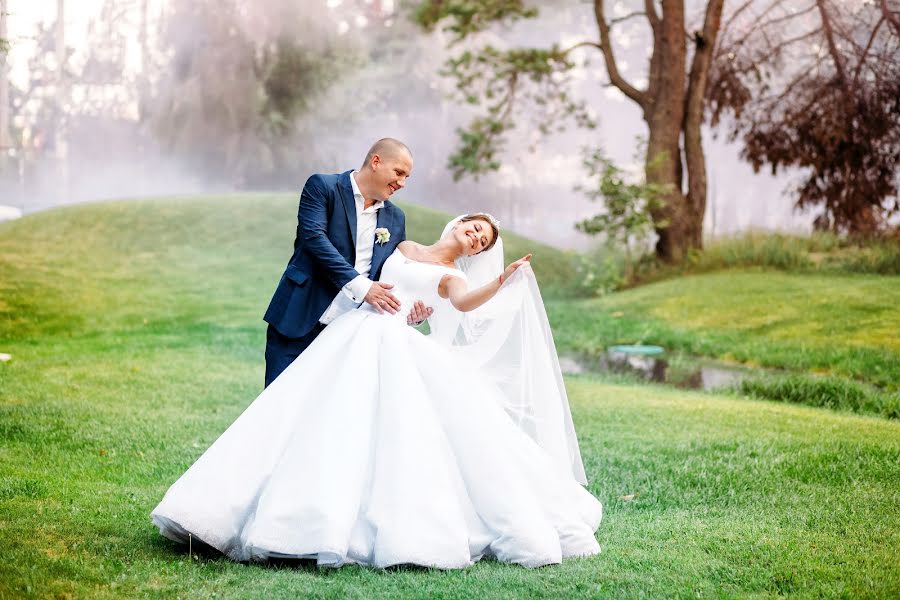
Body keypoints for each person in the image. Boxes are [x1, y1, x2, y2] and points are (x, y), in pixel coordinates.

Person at [151, 214, 602, 569]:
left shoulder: (452, 276)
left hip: (393, 345)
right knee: (312, 416)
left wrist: (501, 280)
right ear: (461, 222)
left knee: (388, 430)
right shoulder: (402, 244)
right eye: (475, 229)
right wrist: (405, 312)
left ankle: (380, 527)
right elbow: (374, 279)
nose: (475, 239)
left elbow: (462, 304)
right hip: (356, 332)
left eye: (482, 241)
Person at [263, 138, 431, 387]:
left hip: (349, 335)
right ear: (376, 161)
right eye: (399, 172)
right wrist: (362, 286)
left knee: (326, 416)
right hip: (298, 317)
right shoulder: (323, 187)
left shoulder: (395, 218)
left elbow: (393, 272)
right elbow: (314, 238)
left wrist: (410, 312)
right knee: (276, 407)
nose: (402, 183)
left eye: (407, 177)